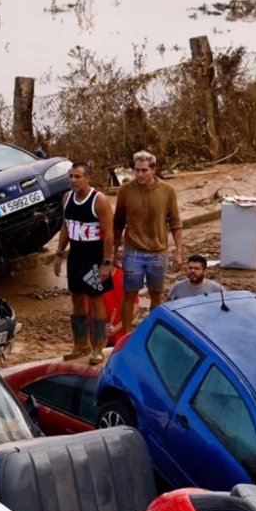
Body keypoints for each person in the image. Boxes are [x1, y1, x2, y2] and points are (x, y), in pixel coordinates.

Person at [112, 150, 183, 333]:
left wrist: (179, 252)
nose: (140, 174)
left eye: (144, 170)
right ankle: (125, 336)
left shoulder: (167, 191)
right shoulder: (126, 191)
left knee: (156, 295)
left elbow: (175, 223)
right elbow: (118, 223)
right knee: (129, 293)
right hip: (133, 251)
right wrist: (116, 250)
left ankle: (153, 333)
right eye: (137, 170)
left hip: (158, 251)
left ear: (153, 170)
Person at [53, 161, 115, 365]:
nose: (73, 180)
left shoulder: (99, 200)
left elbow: (109, 234)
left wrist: (107, 262)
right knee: (76, 297)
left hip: (93, 257)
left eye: (78, 177)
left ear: (88, 178)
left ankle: (98, 347)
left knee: (95, 299)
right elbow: (66, 226)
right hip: (76, 255)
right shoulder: (67, 198)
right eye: (71, 176)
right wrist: (59, 252)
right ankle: (81, 344)